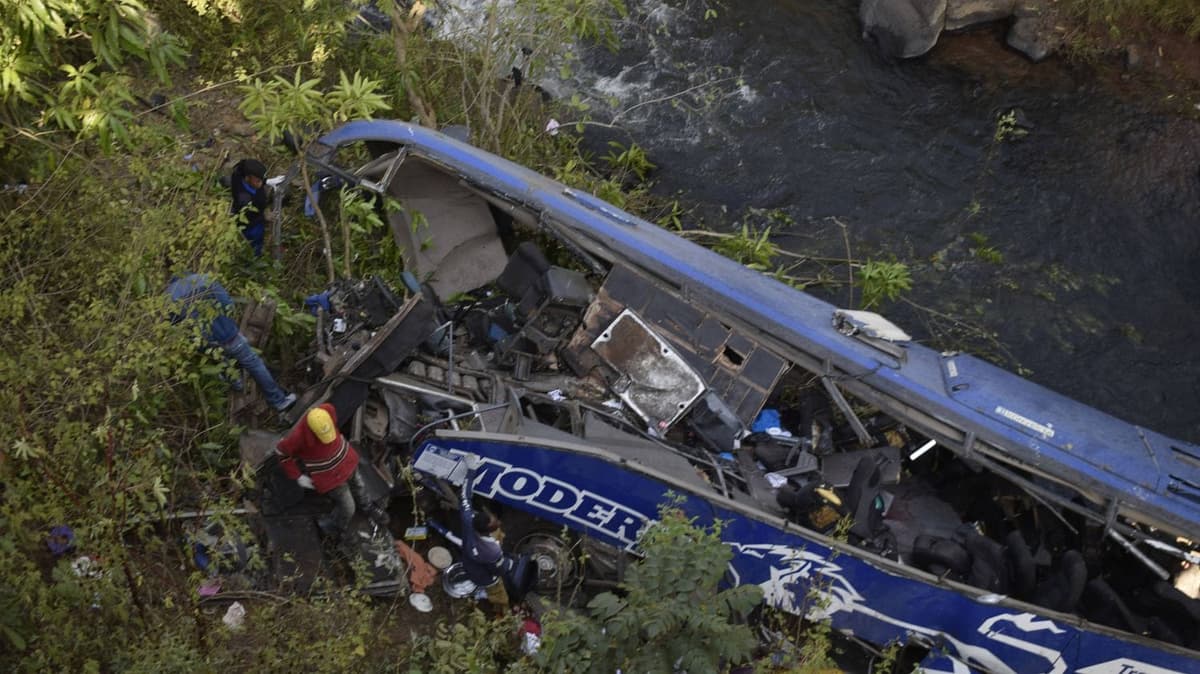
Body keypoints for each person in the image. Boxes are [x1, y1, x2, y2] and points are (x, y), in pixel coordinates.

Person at [166, 272, 296, 411]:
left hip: (204, 343)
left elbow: (175, 326)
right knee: (254, 364)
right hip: (228, 335)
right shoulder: (204, 279)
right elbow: (228, 304)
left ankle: (236, 383)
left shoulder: (169, 295)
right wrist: (227, 323)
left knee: (222, 362)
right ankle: (278, 401)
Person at [275, 404, 387, 539]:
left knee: (360, 487)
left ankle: (368, 507)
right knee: (347, 507)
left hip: (347, 462)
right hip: (331, 477)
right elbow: (281, 452)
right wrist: (297, 475)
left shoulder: (327, 411)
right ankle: (333, 526)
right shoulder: (298, 437)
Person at [460, 465, 511, 612]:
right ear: (490, 531)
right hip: (486, 578)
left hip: (470, 565)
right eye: (495, 522)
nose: (497, 521)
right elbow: (499, 569)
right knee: (499, 594)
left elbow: (465, 496)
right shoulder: (493, 551)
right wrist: (508, 564)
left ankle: (479, 591)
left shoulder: (468, 519)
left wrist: (470, 471)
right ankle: (501, 611)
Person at [229, 159, 269, 256]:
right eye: (258, 181)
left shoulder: (239, 175)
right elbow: (249, 217)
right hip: (250, 225)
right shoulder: (245, 198)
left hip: (252, 214)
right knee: (254, 242)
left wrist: (266, 181)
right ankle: (254, 256)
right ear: (247, 178)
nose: (260, 184)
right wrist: (265, 217)